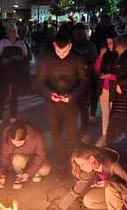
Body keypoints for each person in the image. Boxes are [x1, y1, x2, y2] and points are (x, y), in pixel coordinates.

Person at [43, 145, 127, 210]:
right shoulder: (89, 170)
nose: (81, 168)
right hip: (115, 191)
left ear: (92, 159)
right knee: (89, 201)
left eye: (82, 164)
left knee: (109, 188)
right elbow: (74, 192)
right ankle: (121, 209)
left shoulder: (114, 166)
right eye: (79, 165)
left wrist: (108, 184)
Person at [36, 31, 88, 172]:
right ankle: (60, 165)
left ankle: (73, 164)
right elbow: (40, 81)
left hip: (71, 104)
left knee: (71, 135)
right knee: (56, 135)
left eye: (64, 51)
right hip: (53, 104)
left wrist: (71, 95)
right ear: (54, 45)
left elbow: (84, 81)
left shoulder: (77, 59)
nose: (61, 54)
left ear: (70, 46)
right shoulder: (47, 59)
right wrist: (50, 93)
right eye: (59, 51)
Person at [0, 122, 51, 190]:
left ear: (26, 136)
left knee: (45, 170)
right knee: (17, 158)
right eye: (13, 142)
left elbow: (41, 156)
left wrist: (29, 173)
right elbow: (4, 159)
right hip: (20, 159)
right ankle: (19, 176)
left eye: (19, 143)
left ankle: (34, 172)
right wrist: (2, 175)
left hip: (34, 158)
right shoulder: (7, 139)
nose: (16, 145)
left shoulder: (37, 137)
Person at [0, 23, 28, 125]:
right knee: (2, 95)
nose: (11, 32)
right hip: (4, 72)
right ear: (7, 31)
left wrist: (18, 58)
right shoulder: (3, 42)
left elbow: (25, 57)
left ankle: (13, 116)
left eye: (13, 30)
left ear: (16, 31)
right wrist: (4, 60)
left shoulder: (21, 42)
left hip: (16, 73)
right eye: (9, 30)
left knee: (14, 95)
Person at [72, 22, 98, 143]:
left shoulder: (90, 46)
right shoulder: (71, 45)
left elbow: (95, 62)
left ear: (84, 34)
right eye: (76, 34)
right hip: (72, 81)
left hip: (86, 81)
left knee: (84, 109)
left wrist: (88, 67)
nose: (78, 37)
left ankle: (85, 132)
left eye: (81, 34)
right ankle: (71, 132)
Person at [93, 31, 119, 146]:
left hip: (114, 87)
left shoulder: (119, 54)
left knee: (113, 112)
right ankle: (104, 134)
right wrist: (101, 55)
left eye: (112, 42)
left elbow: (123, 73)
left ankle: (112, 135)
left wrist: (110, 75)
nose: (110, 45)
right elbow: (97, 68)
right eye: (108, 43)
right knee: (105, 112)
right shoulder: (105, 54)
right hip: (104, 87)